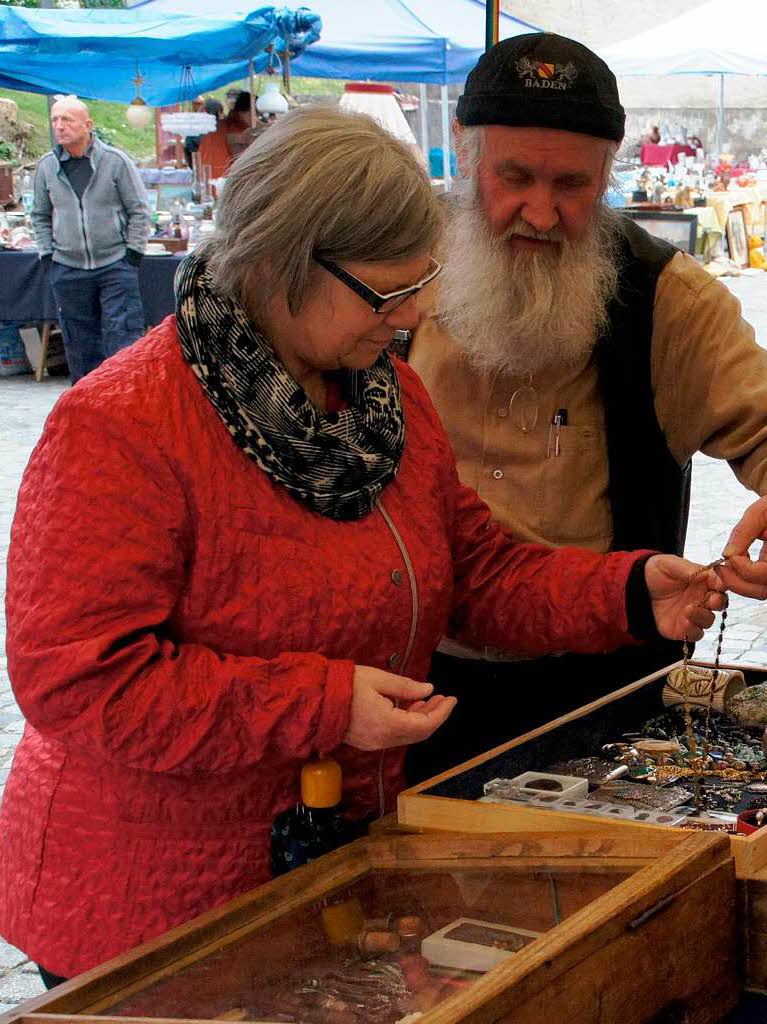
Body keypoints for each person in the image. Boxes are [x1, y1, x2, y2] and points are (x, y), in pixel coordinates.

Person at [0, 105, 752, 986]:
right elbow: (78, 679)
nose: (417, 315)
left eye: (422, 282)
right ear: (283, 262)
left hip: (330, 864)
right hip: (150, 902)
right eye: (392, 293)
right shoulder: (121, 425)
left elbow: (472, 568)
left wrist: (626, 592)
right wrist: (321, 704)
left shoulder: (381, 395)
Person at [405, 32, 767, 782]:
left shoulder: (665, 298)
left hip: (604, 696)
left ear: (607, 172)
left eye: (571, 185)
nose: (539, 211)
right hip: (409, 683)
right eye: (514, 177)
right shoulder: (397, 279)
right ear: (463, 156)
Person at [30, 95, 151, 384]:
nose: (59, 127)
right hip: (67, 267)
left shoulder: (115, 161)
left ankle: (125, 403)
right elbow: (39, 215)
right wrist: (48, 255)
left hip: (114, 265)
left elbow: (139, 210)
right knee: (80, 344)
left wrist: (132, 253)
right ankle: (86, 408)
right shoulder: (47, 167)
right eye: (55, 120)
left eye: (67, 120)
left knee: (122, 339)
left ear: (88, 124)